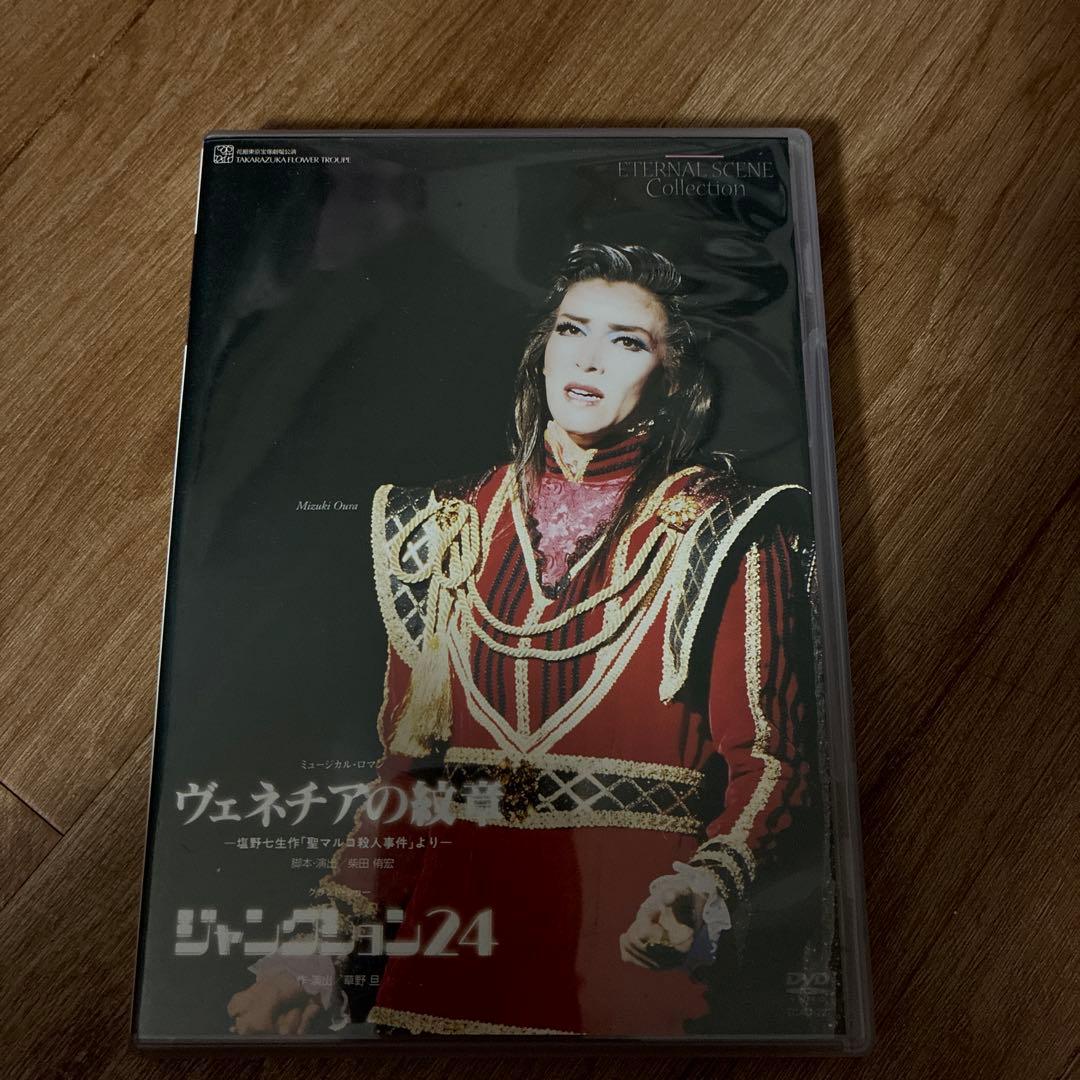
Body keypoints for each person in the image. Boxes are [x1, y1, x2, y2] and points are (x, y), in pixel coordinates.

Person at [227, 241, 816, 1038]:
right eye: (572, 329)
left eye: (627, 341)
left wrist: (706, 889)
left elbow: (772, 762)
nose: (589, 359)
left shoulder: (726, 528)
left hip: (631, 955)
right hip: (445, 964)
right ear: (543, 348)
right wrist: (318, 950)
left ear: (673, 377)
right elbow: (409, 777)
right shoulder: (446, 524)